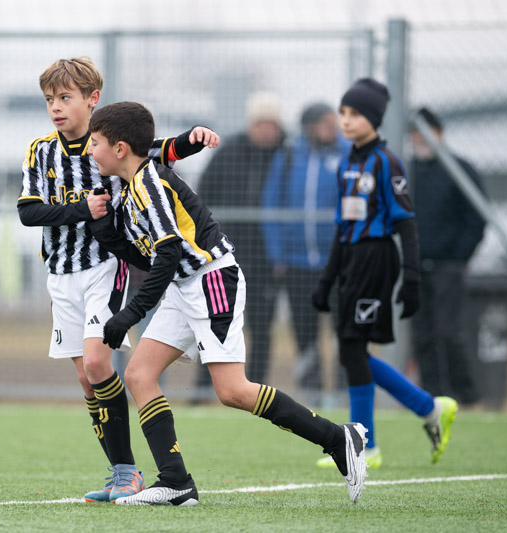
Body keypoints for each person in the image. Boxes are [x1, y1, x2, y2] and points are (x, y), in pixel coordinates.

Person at [86, 101, 368, 507]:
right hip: (184, 285)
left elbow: (167, 254)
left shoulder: (149, 184)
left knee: (232, 390)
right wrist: (108, 234)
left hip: (212, 281)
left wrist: (132, 313)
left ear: (120, 149)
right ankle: (176, 482)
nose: (90, 151)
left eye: (95, 143)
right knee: (139, 374)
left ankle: (338, 438)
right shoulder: (130, 182)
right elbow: (152, 256)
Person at [18, 57, 219, 503]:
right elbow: (28, 211)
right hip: (60, 274)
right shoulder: (40, 151)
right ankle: (122, 472)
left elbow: (161, 149)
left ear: (92, 99)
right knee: (87, 379)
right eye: (49, 99)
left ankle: (132, 473)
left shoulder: (108, 144)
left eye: (65, 97)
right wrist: (80, 210)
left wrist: (193, 138)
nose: (55, 107)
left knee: (97, 363)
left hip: (106, 266)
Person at [311, 79, 458, 469]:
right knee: (352, 351)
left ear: (373, 119)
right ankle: (429, 408)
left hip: (377, 260)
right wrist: (327, 279)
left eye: (355, 114)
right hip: (351, 262)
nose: (346, 120)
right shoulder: (348, 163)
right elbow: (343, 226)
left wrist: (411, 278)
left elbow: (406, 223)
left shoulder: (386, 162)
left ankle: (365, 446)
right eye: (342, 113)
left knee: (352, 348)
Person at [195, 92, 286, 394]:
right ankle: (204, 387)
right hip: (226, 255)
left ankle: (256, 389)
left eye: (272, 124)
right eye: (261, 124)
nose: (266, 131)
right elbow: (202, 196)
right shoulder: (228, 152)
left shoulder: (287, 156)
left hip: (267, 258)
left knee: (261, 326)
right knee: (217, 321)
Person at [261, 103, 350, 400]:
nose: (333, 129)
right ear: (310, 127)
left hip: (337, 263)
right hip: (297, 264)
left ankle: (343, 392)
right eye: (326, 123)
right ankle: (312, 394)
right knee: (304, 331)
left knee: (344, 330)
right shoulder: (289, 157)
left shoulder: (348, 156)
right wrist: (278, 256)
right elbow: (271, 206)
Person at [409, 107, 486, 406]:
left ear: (438, 133)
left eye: (424, 132)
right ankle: (432, 396)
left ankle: (466, 394)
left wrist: (460, 256)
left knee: (449, 333)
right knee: (422, 335)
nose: (419, 139)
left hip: (448, 266)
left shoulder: (460, 168)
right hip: (415, 267)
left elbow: (475, 218)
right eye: (414, 133)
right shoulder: (408, 171)